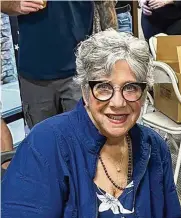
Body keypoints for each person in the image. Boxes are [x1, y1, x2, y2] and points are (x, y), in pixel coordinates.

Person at [1, 30, 181, 218]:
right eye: (103, 87)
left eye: (131, 88)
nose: (118, 102)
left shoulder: (153, 146)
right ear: (85, 92)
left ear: (144, 93)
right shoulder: (47, 143)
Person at [1, 0, 117, 129]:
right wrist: (14, 4)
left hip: (81, 70)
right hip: (35, 72)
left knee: (85, 139)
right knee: (43, 142)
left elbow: (106, 7)